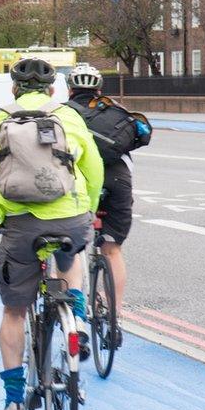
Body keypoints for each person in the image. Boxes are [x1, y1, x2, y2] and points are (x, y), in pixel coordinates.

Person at [0, 58, 103, 410]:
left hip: (21, 225)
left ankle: (13, 404)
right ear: (52, 89)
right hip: (70, 217)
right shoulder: (69, 117)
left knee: (14, 311)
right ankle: (79, 322)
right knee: (71, 254)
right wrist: (87, 207)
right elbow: (94, 166)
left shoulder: (2, 119)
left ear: (15, 90)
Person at [66, 63, 151, 348]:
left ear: (70, 89)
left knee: (71, 247)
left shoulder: (63, 114)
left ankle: (75, 318)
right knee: (112, 249)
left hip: (79, 181)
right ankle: (113, 318)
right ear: (99, 90)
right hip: (117, 181)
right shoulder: (114, 110)